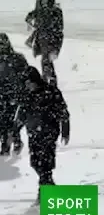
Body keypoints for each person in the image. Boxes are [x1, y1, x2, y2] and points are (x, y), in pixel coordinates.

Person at [14, 66, 70, 205]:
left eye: (29, 83)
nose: (28, 86)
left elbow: (63, 112)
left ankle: (44, 192)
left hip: (49, 133)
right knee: (35, 162)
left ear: (35, 80)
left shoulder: (51, 92)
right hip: (34, 134)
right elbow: (21, 115)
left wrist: (65, 130)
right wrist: (15, 132)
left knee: (45, 163)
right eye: (26, 84)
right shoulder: (27, 96)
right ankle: (49, 186)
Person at [26, 0, 64, 84]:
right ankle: (49, 78)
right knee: (45, 60)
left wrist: (55, 41)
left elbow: (59, 27)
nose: (43, 0)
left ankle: (49, 79)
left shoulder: (55, 11)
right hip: (42, 38)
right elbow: (29, 17)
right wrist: (31, 23)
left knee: (46, 60)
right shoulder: (41, 10)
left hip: (51, 38)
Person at [0, 33, 29, 156]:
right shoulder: (17, 58)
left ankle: (7, 146)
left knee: (8, 120)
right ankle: (12, 142)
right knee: (4, 121)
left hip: (14, 94)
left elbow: (27, 74)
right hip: (3, 94)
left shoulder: (17, 58)